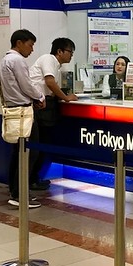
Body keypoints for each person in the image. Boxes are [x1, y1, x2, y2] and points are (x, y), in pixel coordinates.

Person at [0, 29, 45, 208]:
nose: (31, 49)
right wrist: (40, 96)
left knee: (17, 153)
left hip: (12, 110)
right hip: (24, 112)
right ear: (19, 43)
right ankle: (20, 195)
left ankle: (15, 191)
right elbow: (27, 85)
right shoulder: (17, 60)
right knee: (29, 153)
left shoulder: (4, 60)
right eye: (30, 45)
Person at [28, 38, 78, 190]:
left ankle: (33, 178)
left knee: (42, 144)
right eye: (70, 52)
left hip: (44, 105)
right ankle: (30, 180)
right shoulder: (48, 59)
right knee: (37, 145)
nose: (71, 55)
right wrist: (65, 97)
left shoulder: (56, 65)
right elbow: (49, 82)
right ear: (60, 51)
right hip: (39, 107)